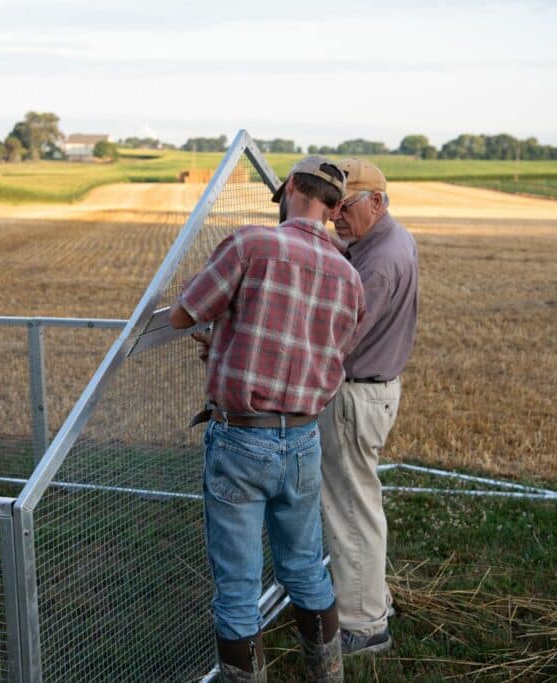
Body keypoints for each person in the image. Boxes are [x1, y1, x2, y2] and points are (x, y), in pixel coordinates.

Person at [169, 156, 365, 682]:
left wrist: (222, 332)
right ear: (334, 206)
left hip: (240, 440)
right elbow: (320, 351)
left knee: (237, 588)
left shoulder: (251, 244)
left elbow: (184, 314)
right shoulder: (349, 276)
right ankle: (327, 675)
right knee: (305, 569)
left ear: (291, 189)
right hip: (302, 440)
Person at [319, 158, 419, 656]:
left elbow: (340, 337)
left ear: (376, 202)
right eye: (332, 204)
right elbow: (347, 250)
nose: (335, 215)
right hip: (374, 392)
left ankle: (363, 627)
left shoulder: (378, 264)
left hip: (356, 395)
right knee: (361, 503)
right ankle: (372, 600)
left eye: (346, 205)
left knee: (349, 510)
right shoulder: (389, 239)